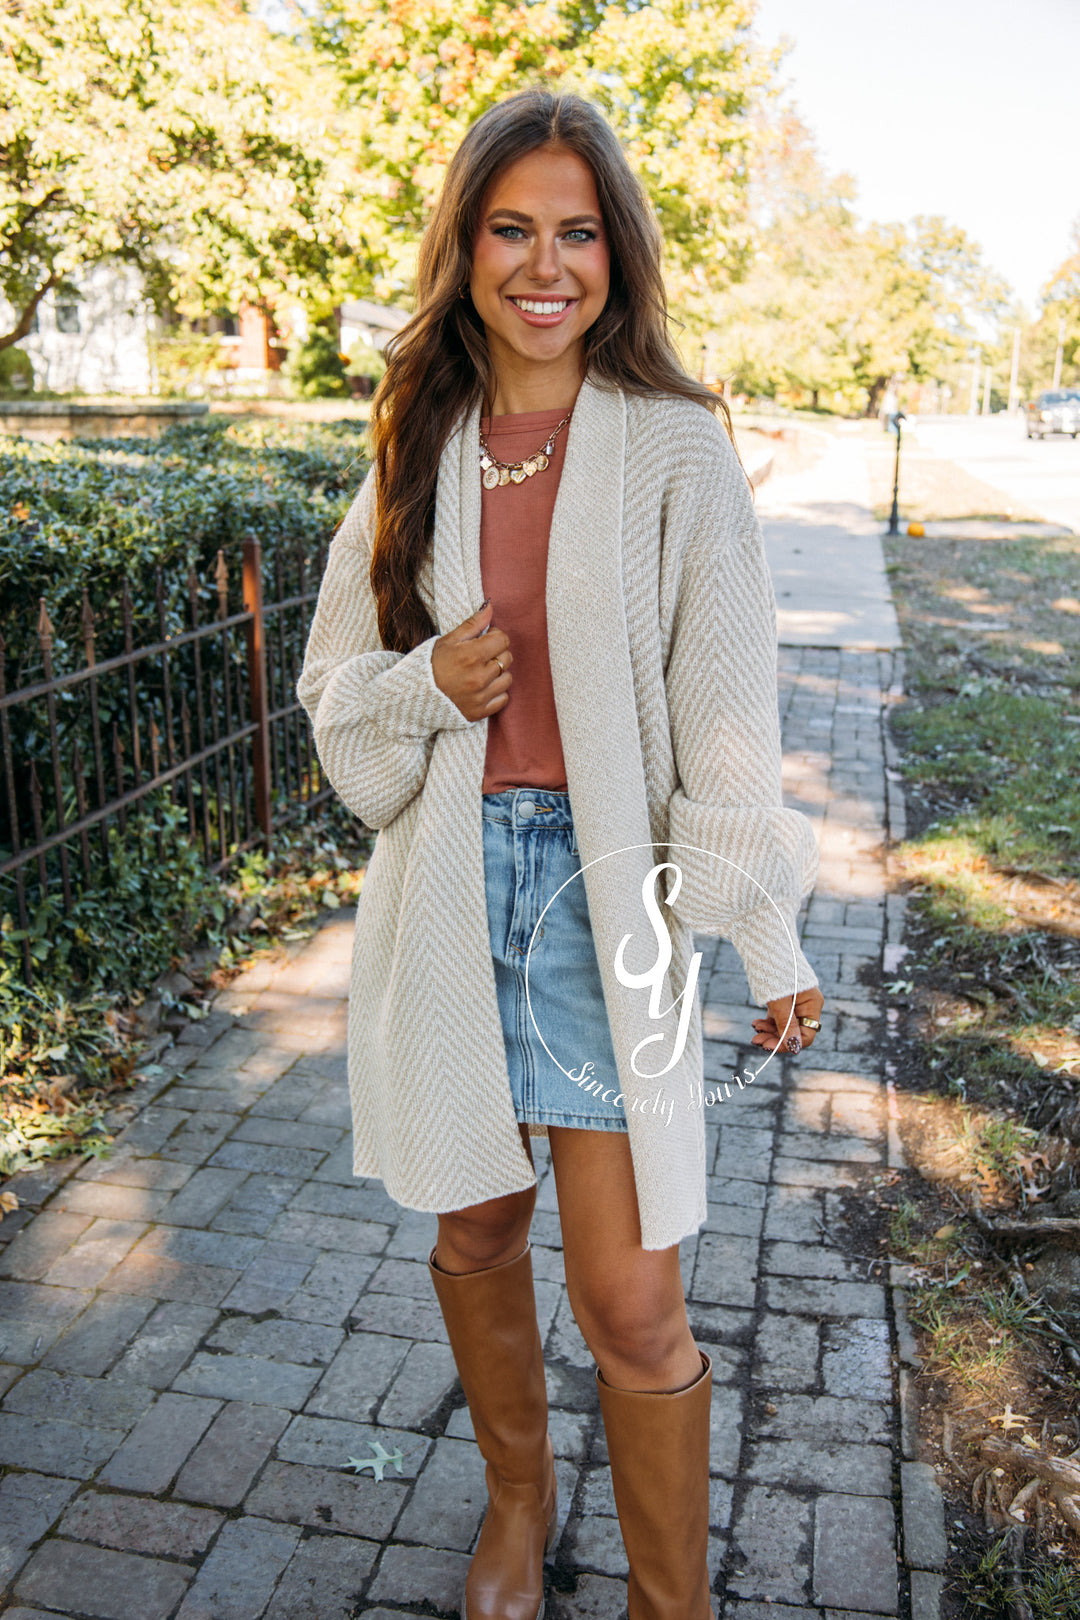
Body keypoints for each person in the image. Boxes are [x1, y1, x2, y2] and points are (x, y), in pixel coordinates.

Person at [298, 88, 824, 1620]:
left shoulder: (673, 447)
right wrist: (425, 684)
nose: (546, 263)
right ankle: (517, 1509)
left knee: (631, 1295)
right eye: (512, 228)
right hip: (450, 893)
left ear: (617, 252)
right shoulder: (417, 439)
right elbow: (343, 705)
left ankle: (676, 1601)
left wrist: (767, 933)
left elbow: (730, 708)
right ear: (466, 248)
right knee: (475, 1218)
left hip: (615, 908)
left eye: (576, 231)